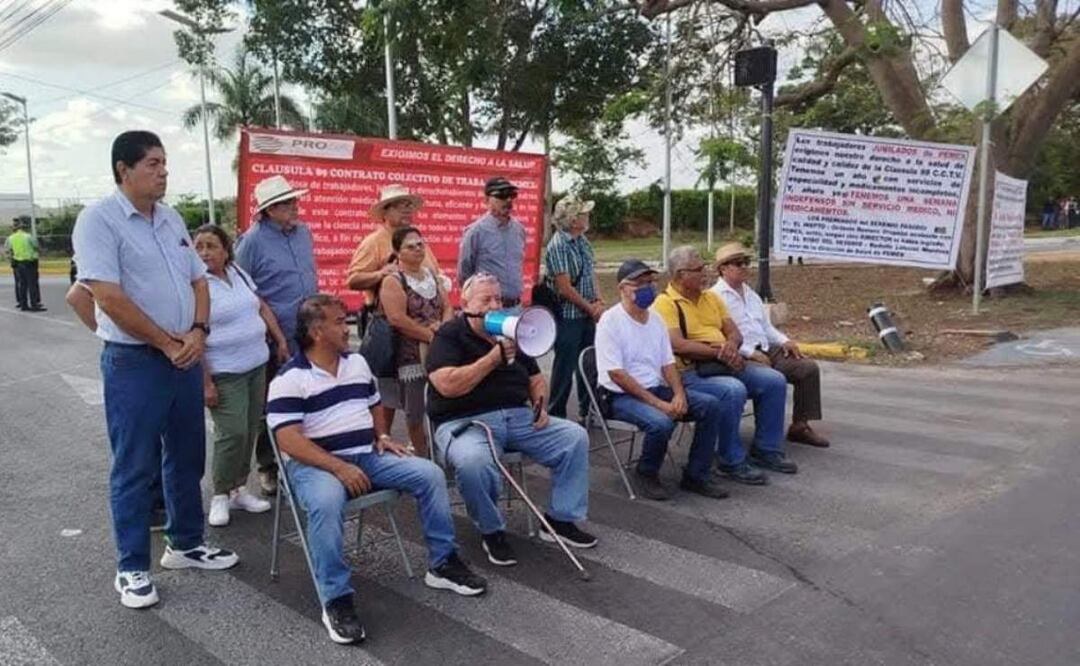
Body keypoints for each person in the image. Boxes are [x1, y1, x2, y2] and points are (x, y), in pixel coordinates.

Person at [71, 130, 238, 610]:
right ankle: (131, 568)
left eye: (164, 163)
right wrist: (166, 343)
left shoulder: (170, 220)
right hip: (136, 363)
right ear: (123, 170)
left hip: (183, 355)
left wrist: (199, 332)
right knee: (134, 466)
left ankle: (185, 544)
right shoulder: (98, 220)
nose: (163, 171)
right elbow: (108, 295)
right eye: (152, 164)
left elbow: (196, 279)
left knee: (186, 456)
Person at [269, 294, 487, 645]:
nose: (348, 327)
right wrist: (339, 467)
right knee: (325, 503)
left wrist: (382, 434)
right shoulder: (290, 378)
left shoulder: (356, 364)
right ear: (316, 331)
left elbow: (373, 404)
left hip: (367, 454)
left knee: (429, 474)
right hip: (315, 465)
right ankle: (336, 600)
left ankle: (443, 564)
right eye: (340, 322)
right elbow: (288, 441)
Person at [426, 273, 597, 566]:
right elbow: (447, 385)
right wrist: (493, 358)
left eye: (498, 299)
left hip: (518, 417)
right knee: (473, 461)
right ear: (466, 304)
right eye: (486, 300)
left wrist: (540, 405)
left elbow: (534, 378)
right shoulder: (449, 335)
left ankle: (560, 519)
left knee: (574, 437)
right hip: (466, 422)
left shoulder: (512, 333)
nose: (495, 305)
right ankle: (491, 530)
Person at [653, 246, 797, 476]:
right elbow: (677, 344)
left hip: (723, 362)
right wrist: (719, 352)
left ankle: (766, 449)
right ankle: (730, 460)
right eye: (699, 269)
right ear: (681, 274)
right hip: (691, 372)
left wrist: (731, 347)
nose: (705, 274)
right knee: (732, 390)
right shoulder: (665, 303)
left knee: (774, 381)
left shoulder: (711, 297)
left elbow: (734, 333)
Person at [595, 259, 731, 501]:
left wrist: (679, 394)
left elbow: (667, 363)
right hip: (619, 395)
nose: (647, 288)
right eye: (639, 284)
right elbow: (617, 375)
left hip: (654, 388)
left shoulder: (655, 320)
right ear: (622, 289)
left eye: (650, 282)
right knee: (661, 422)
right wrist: (659, 404)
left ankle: (696, 474)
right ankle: (646, 472)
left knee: (710, 406)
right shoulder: (610, 321)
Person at [194, 224, 292, 527]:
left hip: (256, 366)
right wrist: (206, 382)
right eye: (199, 246)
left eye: (211, 246)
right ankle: (220, 495)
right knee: (231, 434)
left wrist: (280, 339)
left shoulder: (237, 273)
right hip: (224, 371)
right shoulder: (196, 284)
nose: (205, 253)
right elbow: (192, 334)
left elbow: (260, 306)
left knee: (250, 430)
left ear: (226, 250)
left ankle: (238, 488)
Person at [235, 174, 319, 496]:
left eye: (294, 201)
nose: (294, 207)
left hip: (309, 329)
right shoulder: (252, 242)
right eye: (286, 203)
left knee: (310, 396)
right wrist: (276, 336)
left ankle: (305, 457)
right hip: (274, 334)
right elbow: (245, 292)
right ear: (269, 210)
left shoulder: (304, 233)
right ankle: (268, 466)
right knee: (273, 403)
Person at [345, 184, 442, 441]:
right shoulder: (373, 242)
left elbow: (435, 273)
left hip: (425, 326)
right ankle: (383, 440)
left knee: (422, 394)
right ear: (385, 212)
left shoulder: (417, 239)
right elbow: (353, 279)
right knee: (388, 391)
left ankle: (421, 446)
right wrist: (381, 274)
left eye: (409, 205)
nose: (408, 210)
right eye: (401, 205)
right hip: (389, 327)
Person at [712, 243, 830, 449]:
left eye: (746, 262)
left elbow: (765, 326)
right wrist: (751, 353)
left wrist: (784, 340)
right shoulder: (715, 297)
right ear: (723, 268)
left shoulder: (750, 293)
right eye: (738, 263)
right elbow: (719, 337)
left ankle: (800, 426)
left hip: (765, 346)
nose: (744, 267)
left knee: (807, 368)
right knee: (769, 379)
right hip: (742, 353)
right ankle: (765, 439)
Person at [378, 226, 452, 458]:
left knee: (443, 401)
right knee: (415, 411)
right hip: (409, 354)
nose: (418, 249)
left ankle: (443, 450)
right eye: (411, 246)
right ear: (398, 252)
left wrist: (444, 330)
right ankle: (423, 456)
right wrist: (429, 335)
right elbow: (397, 318)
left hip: (438, 348)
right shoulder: (393, 280)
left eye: (421, 244)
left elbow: (448, 306)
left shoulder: (430, 274)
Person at [543, 195, 605, 421]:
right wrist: (591, 308)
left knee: (589, 363)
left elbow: (590, 272)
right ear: (572, 220)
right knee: (564, 366)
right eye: (583, 213)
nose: (587, 216)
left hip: (587, 312)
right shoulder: (558, 246)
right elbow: (564, 289)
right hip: (568, 316)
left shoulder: (582, 241)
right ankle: (556, 414)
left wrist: (599, 301)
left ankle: (588, 411)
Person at [457, 177, 527, 307]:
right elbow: (464, 274)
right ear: (487, 200)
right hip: (488, 309)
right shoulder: (476, 231)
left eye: (511, 196)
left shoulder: (519, 230)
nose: (508, 200)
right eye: (501, 195)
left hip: (515, 306)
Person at [5, 217, 45, 311]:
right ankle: (34, 305)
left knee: (22, 285)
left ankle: (23, 305)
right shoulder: (28, 236)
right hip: (29, 262)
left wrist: (12, 258)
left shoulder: (11, 238)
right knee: (32, 284)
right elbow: (36, 246)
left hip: (18, 264)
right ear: (24, 228)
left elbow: (8, 250)